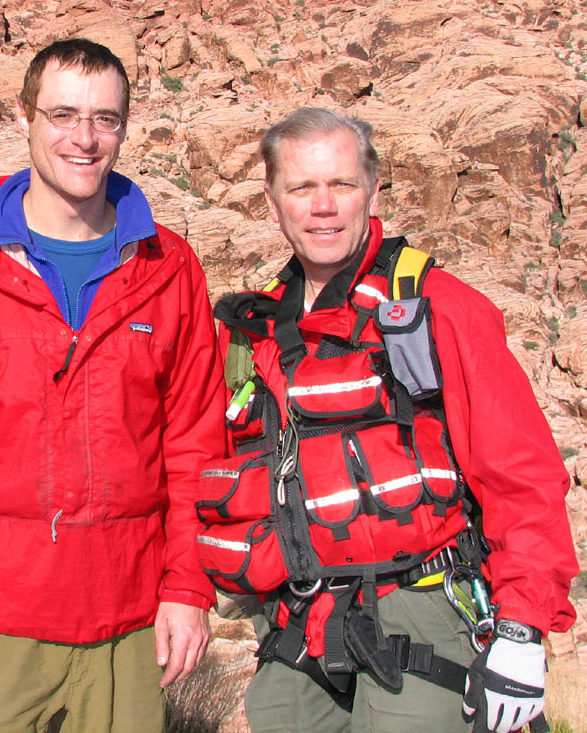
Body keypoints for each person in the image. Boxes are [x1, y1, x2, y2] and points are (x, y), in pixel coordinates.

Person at [196, 106, 578, 732]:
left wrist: (522, 629)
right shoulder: (250, 331)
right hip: (299, 633)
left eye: (342, 184)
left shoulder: (438, 307)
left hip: (425, 620)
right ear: (272, 200)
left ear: (373, 188)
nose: (324, 207)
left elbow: (522, 473)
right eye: (302, 187)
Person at [0, 38, 225, 732]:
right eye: (62, 114)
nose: (84, 138)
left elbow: (195, 447)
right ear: (24, 117)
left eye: (105, 119)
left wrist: (187, 585)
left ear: (123, 128)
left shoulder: (169, 269)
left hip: (130, 618)